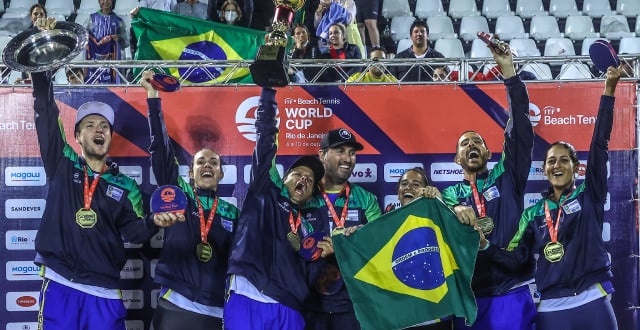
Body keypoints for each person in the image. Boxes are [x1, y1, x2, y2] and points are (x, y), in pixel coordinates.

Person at [30, 18, 175, 330]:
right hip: (61, 286)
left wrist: (154, 221)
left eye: (105, 127)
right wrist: (42, 58)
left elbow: (136, 233)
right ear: (78, 136)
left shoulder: (125, 186)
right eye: (90, 126)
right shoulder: (62, 162)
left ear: (109, 138)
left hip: (105, 293)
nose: (99, 130)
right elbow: (44, 111)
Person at [480, 66, 622, 330]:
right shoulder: (533, 214)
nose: (557, 165)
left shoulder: (589, 194)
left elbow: (599, 144)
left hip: (593, 299)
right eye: (551, 161)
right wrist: (485, 246)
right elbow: (516, 259)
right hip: (552, 308)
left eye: (564, 160)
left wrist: (609, 92)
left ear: (576, 167)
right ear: (544, 169)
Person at [440, 40, 536, 330]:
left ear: (488, 154)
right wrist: (453, 211)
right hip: (469, 297)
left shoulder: (507, 176)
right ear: (457, 159)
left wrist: (508, 71)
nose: (471, 145)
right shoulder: (450, 194)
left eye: (477, 141)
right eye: (464, 143)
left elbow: (520, 130)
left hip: (511, 291)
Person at [224, 86, 331, 329]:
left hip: (289, 305)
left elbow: (313, 272)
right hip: (247, 291)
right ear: (284, 178)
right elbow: (265, 140)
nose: (304, 179)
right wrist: (269, 92)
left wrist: (322, 257)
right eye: (299, 174)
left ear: (311, 194)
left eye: (310, 180)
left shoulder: (313, 223)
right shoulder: (264, 191)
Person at [140, 70, 239, 329]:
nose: (207, 166)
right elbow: (161, 150)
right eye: (200, 162)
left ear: (221, 173)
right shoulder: (179, 197)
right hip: (177, 304)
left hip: (217, 310)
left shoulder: (231, 213)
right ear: (192, 173)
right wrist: (153, 99)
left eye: (213, 162)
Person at [301, 127, 382, 330]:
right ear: (322, 155)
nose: (347, 158)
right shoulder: (304, 196)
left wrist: (344, 247)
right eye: (340, 151)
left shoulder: (367, 200)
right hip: (309, 306)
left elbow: (380, 247)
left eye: (352, 153)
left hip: (353, 307)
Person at [83, 0, 128, 84]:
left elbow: (126, 42)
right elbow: (84, 38)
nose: (105, 1)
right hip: (94, 58)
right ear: (99, 2)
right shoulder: (91, 18)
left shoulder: (118, 21)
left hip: (113, 59)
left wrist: (119, 38)